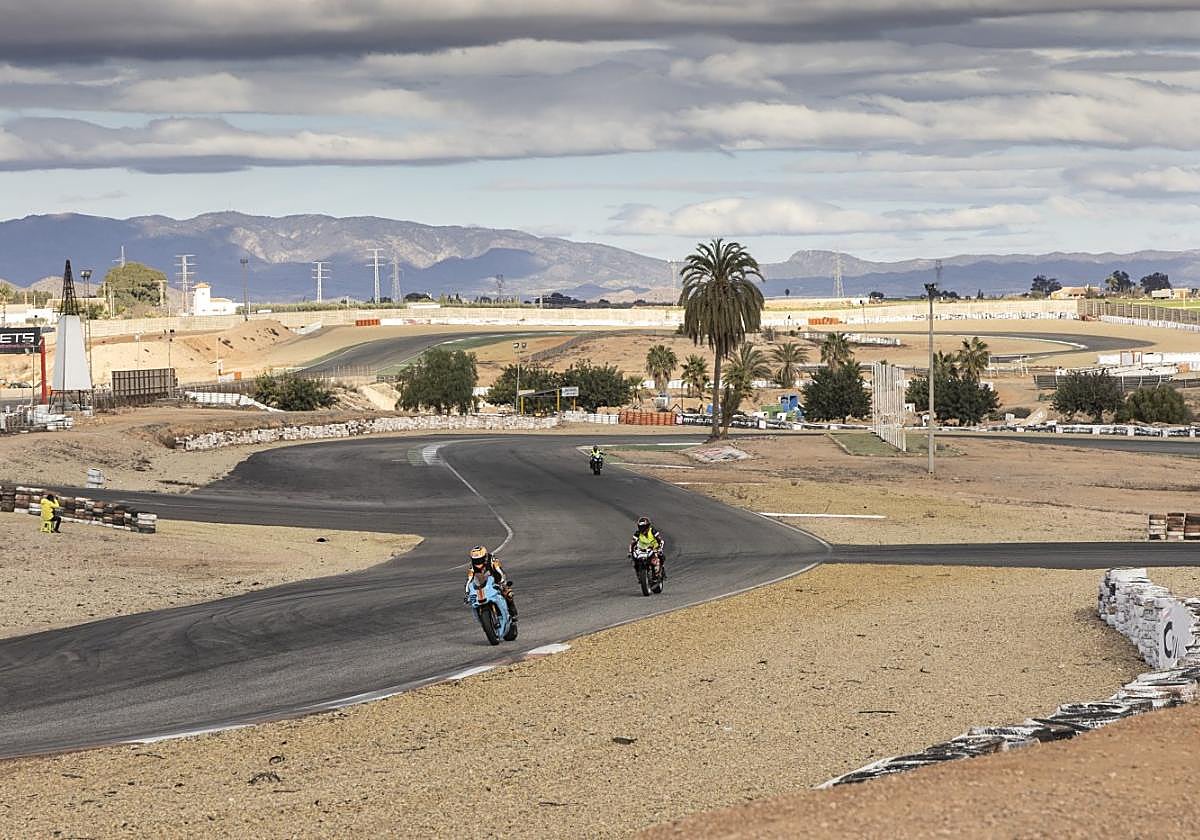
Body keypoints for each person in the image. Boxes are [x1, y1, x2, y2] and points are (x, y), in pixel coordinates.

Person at [465, 545, 517, 620]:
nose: (478, 562)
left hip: (497, 581)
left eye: (480, 559)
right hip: (484, 585)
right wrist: (467, 593)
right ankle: (481, 618)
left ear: (485, 557)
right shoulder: (472, 567)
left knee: (508, 593)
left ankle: (512, 612)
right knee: (474, 600)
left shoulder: (492, 560)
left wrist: (502, 581)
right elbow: (469, 580)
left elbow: (500, 571)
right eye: (475, 560)